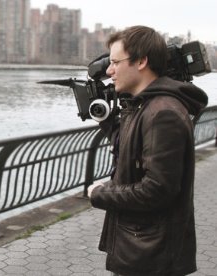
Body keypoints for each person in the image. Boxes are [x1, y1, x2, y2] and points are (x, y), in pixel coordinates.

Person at [87, 26, 208, 275]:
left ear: (141, 61)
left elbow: (157, 191)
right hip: (141, 246)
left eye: (114, 62)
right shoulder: (144, 106)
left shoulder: (163, 112)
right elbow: (127, 144)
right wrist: (106, 119)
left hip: (151, 256)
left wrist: (100, 193)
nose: (109, 71)